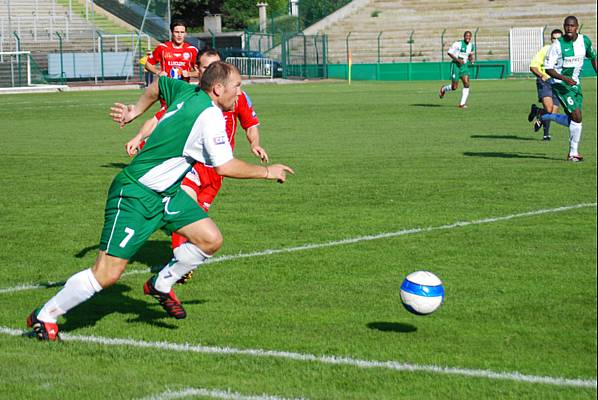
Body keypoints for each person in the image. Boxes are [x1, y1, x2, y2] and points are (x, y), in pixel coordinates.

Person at [26, 62, 294, 341]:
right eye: (237, 87)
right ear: (218, 88)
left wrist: (135, 110)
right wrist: (267, 172)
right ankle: (46, 315)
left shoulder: (186, 91)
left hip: (167, 194)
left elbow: (158, 85)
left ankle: (160, 284)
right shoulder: (209, 116)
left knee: (210, 239)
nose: (240, 94)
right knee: (106, 274)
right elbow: (224, 166)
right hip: (136, 194)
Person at [126, 49, 269, 284]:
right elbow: (160, 116)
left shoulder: (236, 96)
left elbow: (250, 123)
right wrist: (138, 137)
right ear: (198, 70)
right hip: (191, 164)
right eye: (203, 67)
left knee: (197, 218)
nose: (207, 71)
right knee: (185, 206)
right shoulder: (192, 96)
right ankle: (177, 266)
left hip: (219, 167)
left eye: (212, 66)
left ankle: (178, 264)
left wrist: (255, 143)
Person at [530, 16, 597, 162]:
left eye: (572, 26)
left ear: (577, 26)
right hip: (560, 84)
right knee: (577, 116)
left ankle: (543, 116)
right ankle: (573, 153)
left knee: (574, 120)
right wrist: (564, 79)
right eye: (567, 26)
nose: (569, 28)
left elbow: (593, 56)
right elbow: (548, 69)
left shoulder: (584, 41)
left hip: (575, 84)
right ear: (564, 26)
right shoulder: (557, 45)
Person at [138, 20, 200, 143]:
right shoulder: (163, 48)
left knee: (170, 119)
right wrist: (158, 72)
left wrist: (190, 73)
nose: (179, 35)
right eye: (177, 32)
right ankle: (143, 141)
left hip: (183, 91)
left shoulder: (192, 50)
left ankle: (146, 142)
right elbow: (148, 64)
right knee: (167, 117)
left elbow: (203, 71)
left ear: (186, 33)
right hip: (166, 90)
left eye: (182, 32)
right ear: (172, 33)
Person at [527, 29, 563, 140]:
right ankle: (546, 135)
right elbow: (533, 66)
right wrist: (541, 75)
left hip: (558, 83)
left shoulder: (565, 51)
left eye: (558, 38)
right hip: (545, 81)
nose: (556, 40)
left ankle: (537, 111)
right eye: (554, 38)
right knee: (548, 109)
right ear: (550, 39)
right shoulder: (546, 50)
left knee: (553, 113)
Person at [439, 31, 475, 108]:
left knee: (467, 83)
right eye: (466, 36)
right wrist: (458, 60)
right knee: (454, 87)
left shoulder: (471, 46)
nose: (468, 37)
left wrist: (471, 59)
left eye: (469, 36)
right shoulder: (458, 44)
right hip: (455, 65)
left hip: (464, 66)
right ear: (464, 36)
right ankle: (444, 89)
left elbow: (470, 55)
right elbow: (449, 53)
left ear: (471, 37)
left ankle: (462, 104)